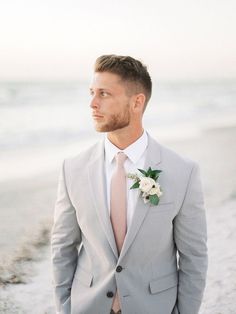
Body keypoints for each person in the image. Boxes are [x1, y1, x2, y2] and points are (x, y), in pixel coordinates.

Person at [51, 54, 208, 314]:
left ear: (137, 102)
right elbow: (62, 247)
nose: (92, 103)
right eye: (91, 92)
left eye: (104, 94)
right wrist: (64, 309)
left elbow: (194, 257)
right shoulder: (73, 169)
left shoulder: (183, 172)